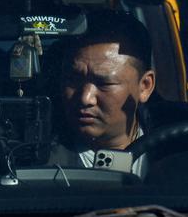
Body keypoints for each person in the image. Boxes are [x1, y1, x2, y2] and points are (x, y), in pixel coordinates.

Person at [48, 10, 156, 176]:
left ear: (145, 86)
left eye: (105, 83)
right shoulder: (39, 160)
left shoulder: (185, 148)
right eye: (73, 80)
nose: (86, 98)